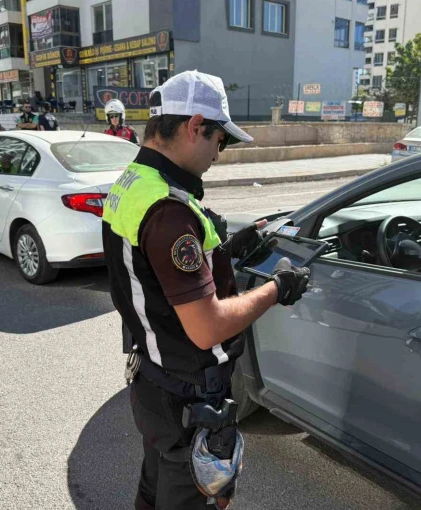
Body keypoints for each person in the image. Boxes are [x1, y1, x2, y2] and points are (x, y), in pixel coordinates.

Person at [102, 70, 311, 510]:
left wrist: (231, 248)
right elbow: (206, 327)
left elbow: (155, 273)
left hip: (153, 380)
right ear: (196, 126)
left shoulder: (134, 182)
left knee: (154, 490)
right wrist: (277, 288)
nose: (221, 152)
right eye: (221, 139)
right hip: (187, 394)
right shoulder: (169, 209)